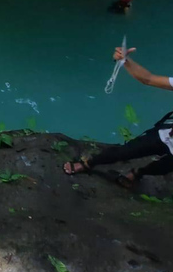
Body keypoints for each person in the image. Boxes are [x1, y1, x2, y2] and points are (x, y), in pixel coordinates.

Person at [64, 46, 173, 187]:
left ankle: (139, 172)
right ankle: (87, 163)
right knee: (124, 152)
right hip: (166, 135)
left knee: (162, 168)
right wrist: (125, 60)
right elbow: (148, 78)